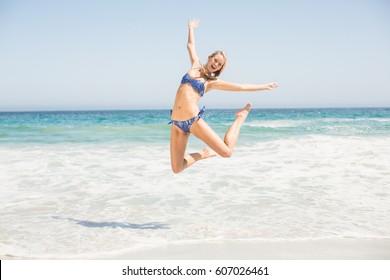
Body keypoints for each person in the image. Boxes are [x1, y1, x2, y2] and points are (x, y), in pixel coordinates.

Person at [170, 18, 278, 173]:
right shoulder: (194, 65)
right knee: (177, 168)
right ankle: (203, 154)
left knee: (227, 152)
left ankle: (240, 117)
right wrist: (191, 29)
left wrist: (264, 86)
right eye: (215, 60)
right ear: (209, 58)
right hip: (176, 122)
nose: (216, 64)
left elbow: (241, 87)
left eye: (219, 64)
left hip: (193, 120)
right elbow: (190, 46)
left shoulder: (212, 82)